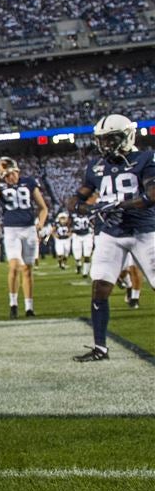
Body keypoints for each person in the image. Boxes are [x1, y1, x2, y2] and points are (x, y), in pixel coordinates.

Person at [67, 114, 154, 362]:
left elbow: (152, 193)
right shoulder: (95, 166)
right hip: (110, 234)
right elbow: (74, 201)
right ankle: (100, 348)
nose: (105, 145)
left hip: (144, 231)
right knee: (100, 287)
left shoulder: (145, 158)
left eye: (111, 139)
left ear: (126, 136)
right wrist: (91, 209)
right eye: (102, 140)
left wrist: (120, 205)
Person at [0, 156, 48, 318]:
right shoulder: (1, 186)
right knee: (13, 267)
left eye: (11, 174)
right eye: (6, 176)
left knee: (27, 269)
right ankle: (13, 304)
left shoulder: (29, 182)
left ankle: (29, 307)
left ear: (17, 171)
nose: (9, 178)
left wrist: (40, 223)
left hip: (29, 229)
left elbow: (43, 208)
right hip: (11, 230)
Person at [70, 210, 94, 278]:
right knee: (77, 256)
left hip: (87, 235)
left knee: (87, 255)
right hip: (76, 235)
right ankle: (78, 264)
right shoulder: (72, 214)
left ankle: (85, 272)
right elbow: (68, 223)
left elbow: (93, 222)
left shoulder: (90, 213)